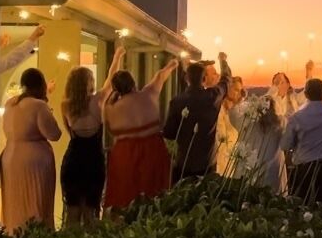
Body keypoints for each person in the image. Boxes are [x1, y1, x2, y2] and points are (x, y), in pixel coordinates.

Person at [102, 57, 179, 210]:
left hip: (124, 153)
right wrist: (172, 65)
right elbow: (160, 76)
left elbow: (110, 131)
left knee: (124, 199)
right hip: (153, 149)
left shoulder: (111, 109)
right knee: (154, 196)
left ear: (115, 89)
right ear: (133, 82)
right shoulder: (149, 94)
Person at [59, 46, 124, 226]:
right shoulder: (98, 100)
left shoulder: (66, 105)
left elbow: (69, 133)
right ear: (88, 82)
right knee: (91, 211)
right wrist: (117, 55)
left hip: (73, 159)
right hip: (94, 159)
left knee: (72, 210)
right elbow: (112, 78)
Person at [0, 67, 62, 232]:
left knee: (15, 204)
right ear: (41, 85)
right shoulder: (38, 106)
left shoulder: (10, 103)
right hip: (34, 162)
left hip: (10, 158)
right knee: (35, 203)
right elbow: (54, 133)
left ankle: (13, 235)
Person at [162, 55, 231, 184]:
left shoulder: (176, 101)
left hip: (184, 165)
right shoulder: (213, 96)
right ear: (204, 79)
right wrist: (223, 61)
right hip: (207, 164)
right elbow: (226, 80)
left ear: (186, 78)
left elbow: (169, 133)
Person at [281, 62, 322, 205]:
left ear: (306, 94)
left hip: (304, 167)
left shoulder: (297, 117)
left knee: (303, 207)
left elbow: (285, 144)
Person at [228, 91, 288, 193]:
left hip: (251, 168)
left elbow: (233, 115)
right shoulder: (280, 124)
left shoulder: (248, 123)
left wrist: (239, 101)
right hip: (273, 170)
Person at [214, 76, 245, 177]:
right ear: (228, 88)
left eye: (240, 91)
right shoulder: (219, 110)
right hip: (219, 164)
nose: (238, 94)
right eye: (236, 89)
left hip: (229, 164)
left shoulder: (232, 112)